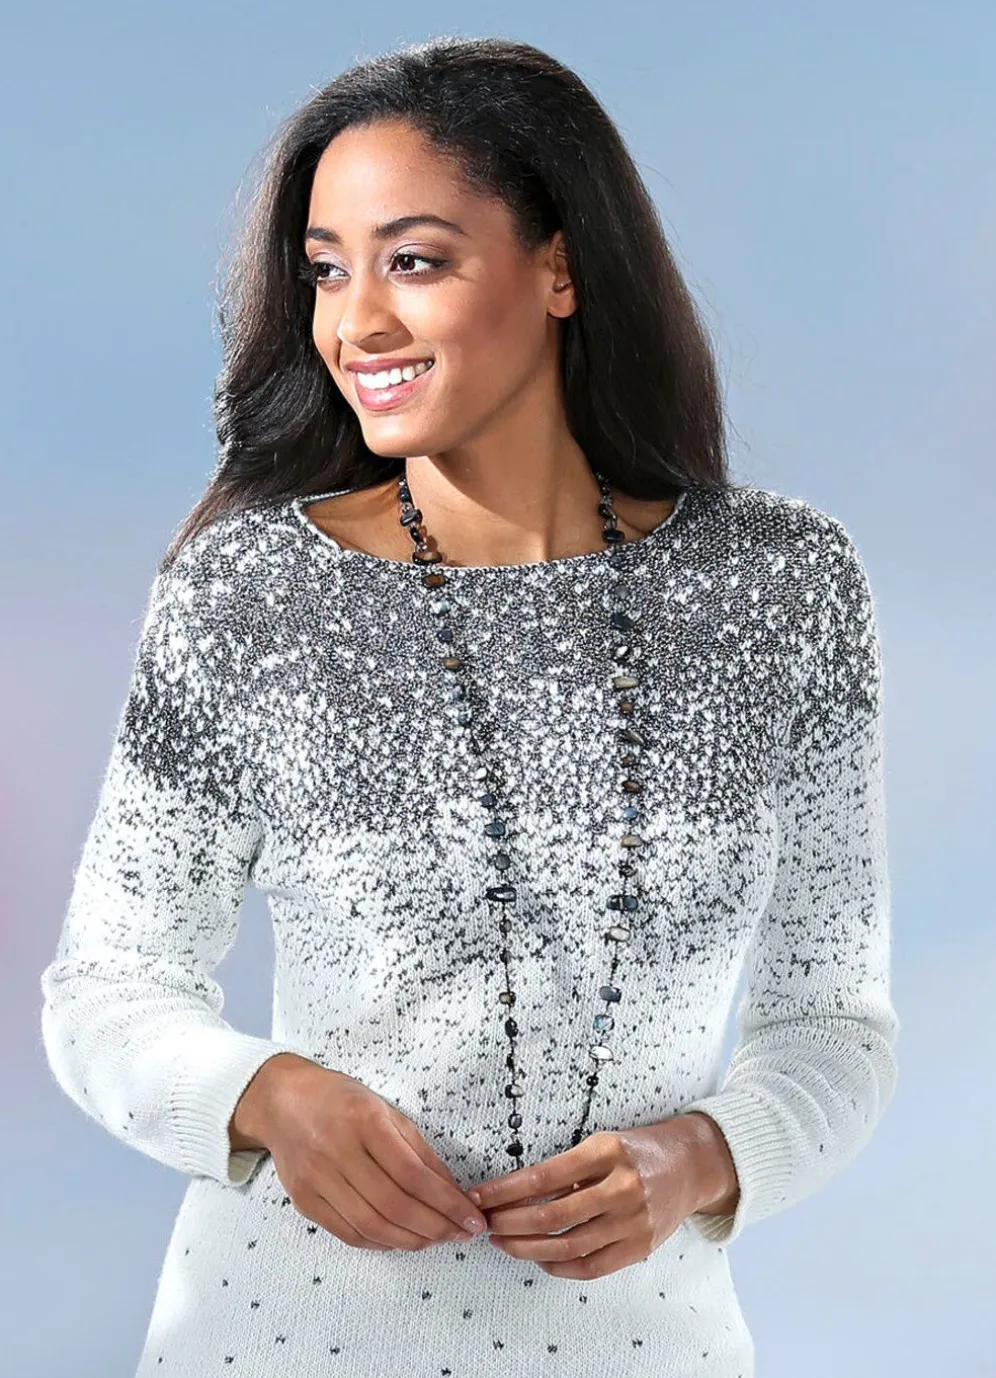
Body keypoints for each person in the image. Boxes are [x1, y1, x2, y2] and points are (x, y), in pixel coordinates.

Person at [39, 34, 899, 1378]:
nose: (356, 323)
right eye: (327, 269)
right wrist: (263, 1094)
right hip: (276, 1338)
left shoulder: (782, 589)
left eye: (416, 261)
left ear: (561, 266)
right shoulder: (248, 594)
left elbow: (835, 1024)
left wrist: (702, 1156)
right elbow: (108, 985)